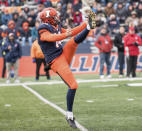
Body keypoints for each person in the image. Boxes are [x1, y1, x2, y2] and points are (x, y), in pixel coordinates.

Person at [38, 7, 96, 128]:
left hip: (62, 53)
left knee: (72, 42)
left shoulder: (55, 27)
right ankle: (69, 115)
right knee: (73, 85)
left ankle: (89, 27)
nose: (57, 18)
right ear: (48, 20)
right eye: (54, 17)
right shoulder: (43, 28)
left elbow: (71, 32)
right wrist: (66, 34)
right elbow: (50, 38)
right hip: (55, 60)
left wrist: (85, 24)